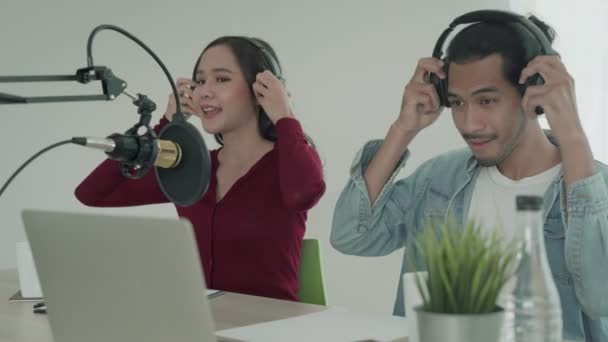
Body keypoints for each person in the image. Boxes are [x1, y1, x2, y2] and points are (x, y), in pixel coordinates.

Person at [330, 10, 607, 340]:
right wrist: (403, 128)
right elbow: (351, 235)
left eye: (486, 100)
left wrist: (573, 134)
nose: (468, 123)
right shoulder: (438, 179)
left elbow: (600, 296)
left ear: (535, 91)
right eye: (457, 103)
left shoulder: (595, 188)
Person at [76, 36, 325, 302]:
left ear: (260, 90)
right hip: (202, 327)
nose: (205, 91)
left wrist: (285, 115)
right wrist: (163, 126)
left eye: (221, 79)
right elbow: (93, 194)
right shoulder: (189, 165)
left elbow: (303, 194)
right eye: (200, 81)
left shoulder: (290, 160)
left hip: (270, 328)